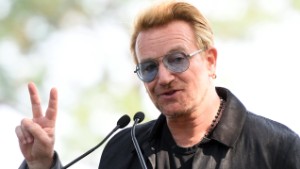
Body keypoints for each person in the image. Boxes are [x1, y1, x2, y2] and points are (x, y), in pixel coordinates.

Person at [15, 1, 300, 169]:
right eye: (149, 67)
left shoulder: (278, 148)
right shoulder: (123, 149)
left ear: (210, 61)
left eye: (177, 59)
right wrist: (41, 165)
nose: (163, 78)